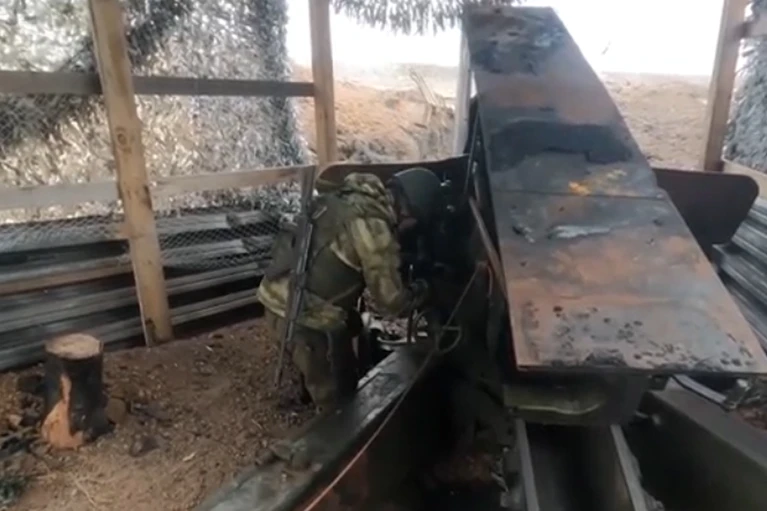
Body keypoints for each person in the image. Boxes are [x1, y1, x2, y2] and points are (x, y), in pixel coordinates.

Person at [257, 167, 443, 410]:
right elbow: (391, 302)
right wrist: (423, 289)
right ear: (409, 211)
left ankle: (310, 381)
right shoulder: (374, 228)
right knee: (340, 401)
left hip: (276, 297)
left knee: (350, 327)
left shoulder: (347, 197)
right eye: (414, 224)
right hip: (303, 317)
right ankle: (326, 419)